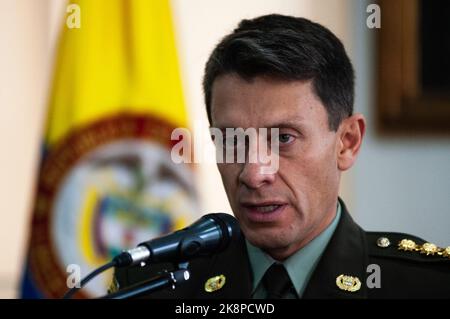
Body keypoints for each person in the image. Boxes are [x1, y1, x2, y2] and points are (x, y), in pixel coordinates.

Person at [111, 14, 450, 298]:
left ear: (346, 142)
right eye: (231, 140)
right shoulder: (150, 286)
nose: (254, 172)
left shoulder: (428, 287)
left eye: (284, 138)